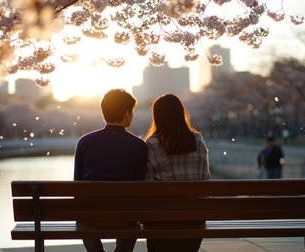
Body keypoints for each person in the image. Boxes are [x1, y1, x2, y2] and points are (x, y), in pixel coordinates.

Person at [74, 89, 147, 252]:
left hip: (91, 218)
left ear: (103, 112)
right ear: (127, 113)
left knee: (83, 214)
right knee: (131, 212)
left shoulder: (84, 142)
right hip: (126, 218)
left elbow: (77, 187)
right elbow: (140, 187)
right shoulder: (139, 146)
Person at [144, 94, 210, 252]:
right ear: (182, 113)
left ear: (157, 117)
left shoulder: (152, 143)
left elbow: (148, 187)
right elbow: (204, 179)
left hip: (162, 222)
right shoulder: (198, 140)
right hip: (195, 221)